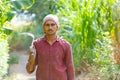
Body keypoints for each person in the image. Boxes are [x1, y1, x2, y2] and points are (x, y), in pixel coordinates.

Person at [26, 14, 75, 80]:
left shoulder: (66, 45)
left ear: (57, 27)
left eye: (52, 25)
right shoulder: (36, 44)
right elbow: (29, 70)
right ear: (43, 28)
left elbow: (70, 68)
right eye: (47, 25)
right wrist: (31, 58)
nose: (50, 27)